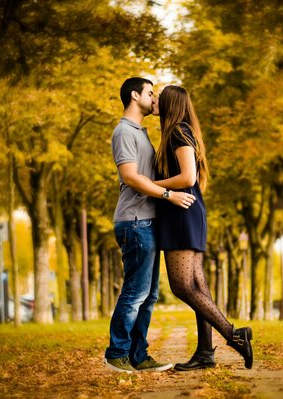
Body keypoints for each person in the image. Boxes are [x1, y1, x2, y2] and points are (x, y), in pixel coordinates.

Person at [153, 85, 253, 370]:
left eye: (161, 97)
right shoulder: (179, 131)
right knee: (197, 285)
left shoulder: (178, 132)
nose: (156, 101)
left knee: (182, 286)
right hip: (185, 212)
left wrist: (149, 186)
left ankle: (235, 336)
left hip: (182, 213)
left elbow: (187, 176)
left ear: (172, 103)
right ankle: (206, 353)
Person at [104, 77, 197, 373]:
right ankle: (116, 353)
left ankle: (138, 355)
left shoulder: (141, 133)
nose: (155, 98)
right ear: (135, 95)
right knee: (135, 291)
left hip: (147, 221)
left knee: (149, 294)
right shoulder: (123, 132)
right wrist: (168, 194)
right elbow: (131, 177)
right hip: (134, 221)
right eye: (150, 93)